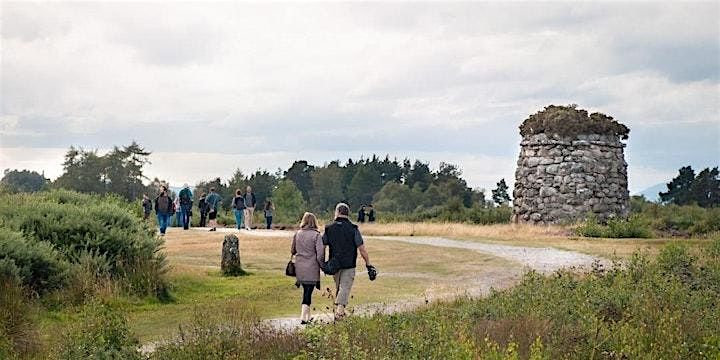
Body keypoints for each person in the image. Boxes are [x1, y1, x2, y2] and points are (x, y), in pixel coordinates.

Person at [323, 203, 374, 320]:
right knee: (345, 287)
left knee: (339, 288)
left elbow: (323, 246)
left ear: (337, 212)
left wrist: (323, 262)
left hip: (334, 264)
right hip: (349, 264)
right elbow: (362, 249)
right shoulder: (353, 229)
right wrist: (368, 264)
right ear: (348, 213)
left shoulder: (329, 228)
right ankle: (340, 312)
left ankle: (339, 312)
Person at [291, 212, 324, 324]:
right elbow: (320, 254)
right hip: (312, 267)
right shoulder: (316, 235)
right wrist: (322, 265)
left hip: (300, 267)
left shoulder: (298, 234)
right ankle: (303, 316)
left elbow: (293, 251)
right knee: (308, 292)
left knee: (306, 289)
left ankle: (308, 315)